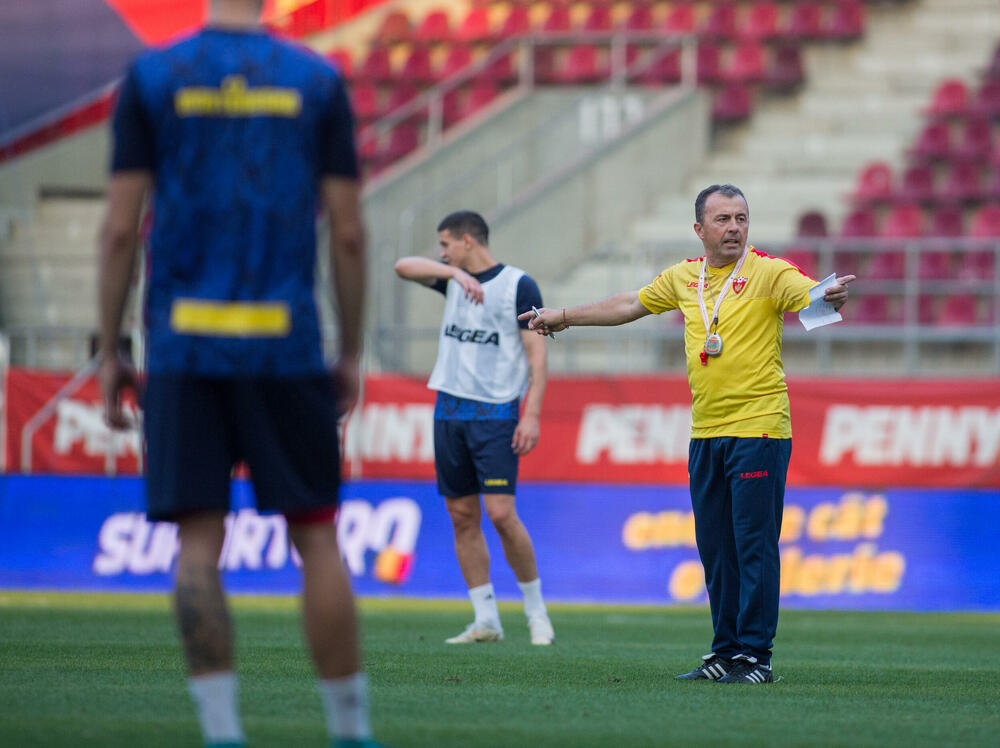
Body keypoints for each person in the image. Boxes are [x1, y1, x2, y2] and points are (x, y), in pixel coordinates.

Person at [97, 1, 378, 745]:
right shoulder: (316, 80)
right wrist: (350, 349)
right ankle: (350, 732)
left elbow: (120, 227)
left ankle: (222, 734)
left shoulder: (153, 77)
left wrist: (112, 348)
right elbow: (348, 233)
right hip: (284, 345)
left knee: (197, 544)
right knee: (316, 537)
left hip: (184, 347)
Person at [522, 185, 855, 683]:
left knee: (754, 546)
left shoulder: (769, 272)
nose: (734, 228)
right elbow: (630, 304)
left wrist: (828, 295)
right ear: (699, 229)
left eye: (741, 218)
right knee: (716, 549)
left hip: (759, 429)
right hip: (705, 432)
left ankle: (756, 657)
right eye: (723, 219)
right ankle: (725, 652)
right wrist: (565, 317)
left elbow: (809, 294)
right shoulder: (684, 277)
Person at [394, 211, 555, 646]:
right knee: (462, 516)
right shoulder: (451, 279)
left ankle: (536, 612)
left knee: (501, 514)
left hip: (496, 413)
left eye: (446, 244)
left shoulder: (518, 285)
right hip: (449, 411)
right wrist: (452, 273)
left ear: (468, 240)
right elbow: (402, 266)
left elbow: (537, 355)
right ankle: (486, 619)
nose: (442, 252)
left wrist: (531, 414)